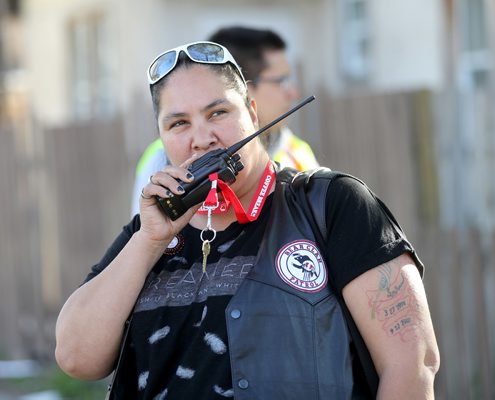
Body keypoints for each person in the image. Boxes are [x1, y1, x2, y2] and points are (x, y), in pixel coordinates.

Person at [55, 41, 440, 399]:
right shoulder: (149, 234)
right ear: (162, 138)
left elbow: (413, 363)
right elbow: (76, 357)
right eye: (178, 124)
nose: (202, 138)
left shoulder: (331, 205)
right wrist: (149, 241)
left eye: (218, 112)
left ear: (253, 114)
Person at [130, 26, 318, 216]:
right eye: (280, 81)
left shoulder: (299, 153)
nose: (292, 92)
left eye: (217, 113)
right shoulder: (159, 162)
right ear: (246, 87)